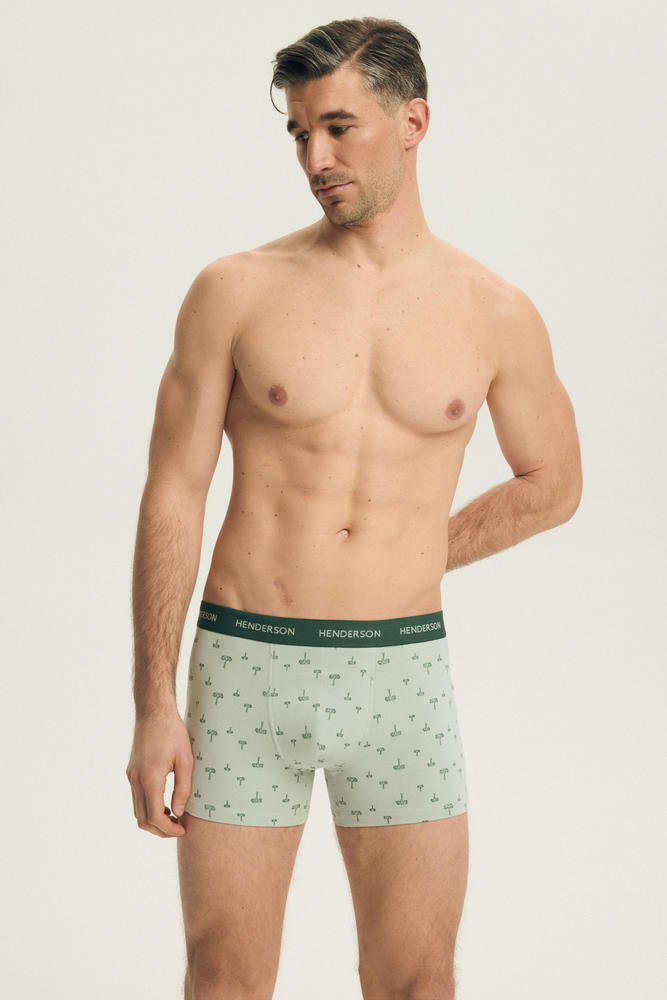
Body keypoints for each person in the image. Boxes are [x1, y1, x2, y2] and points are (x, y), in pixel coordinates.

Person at [126, 16, 582, 1000]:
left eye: (338, 128)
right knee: (223, 976)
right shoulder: (235, 290)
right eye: (299, 133)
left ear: (412, 121)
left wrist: (421, 547)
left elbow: (553, 481)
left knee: (415, 979)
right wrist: (154, 703)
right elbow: (174, 490)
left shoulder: (493, 311)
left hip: (400, 674)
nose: (314, 159)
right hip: (245, 668)